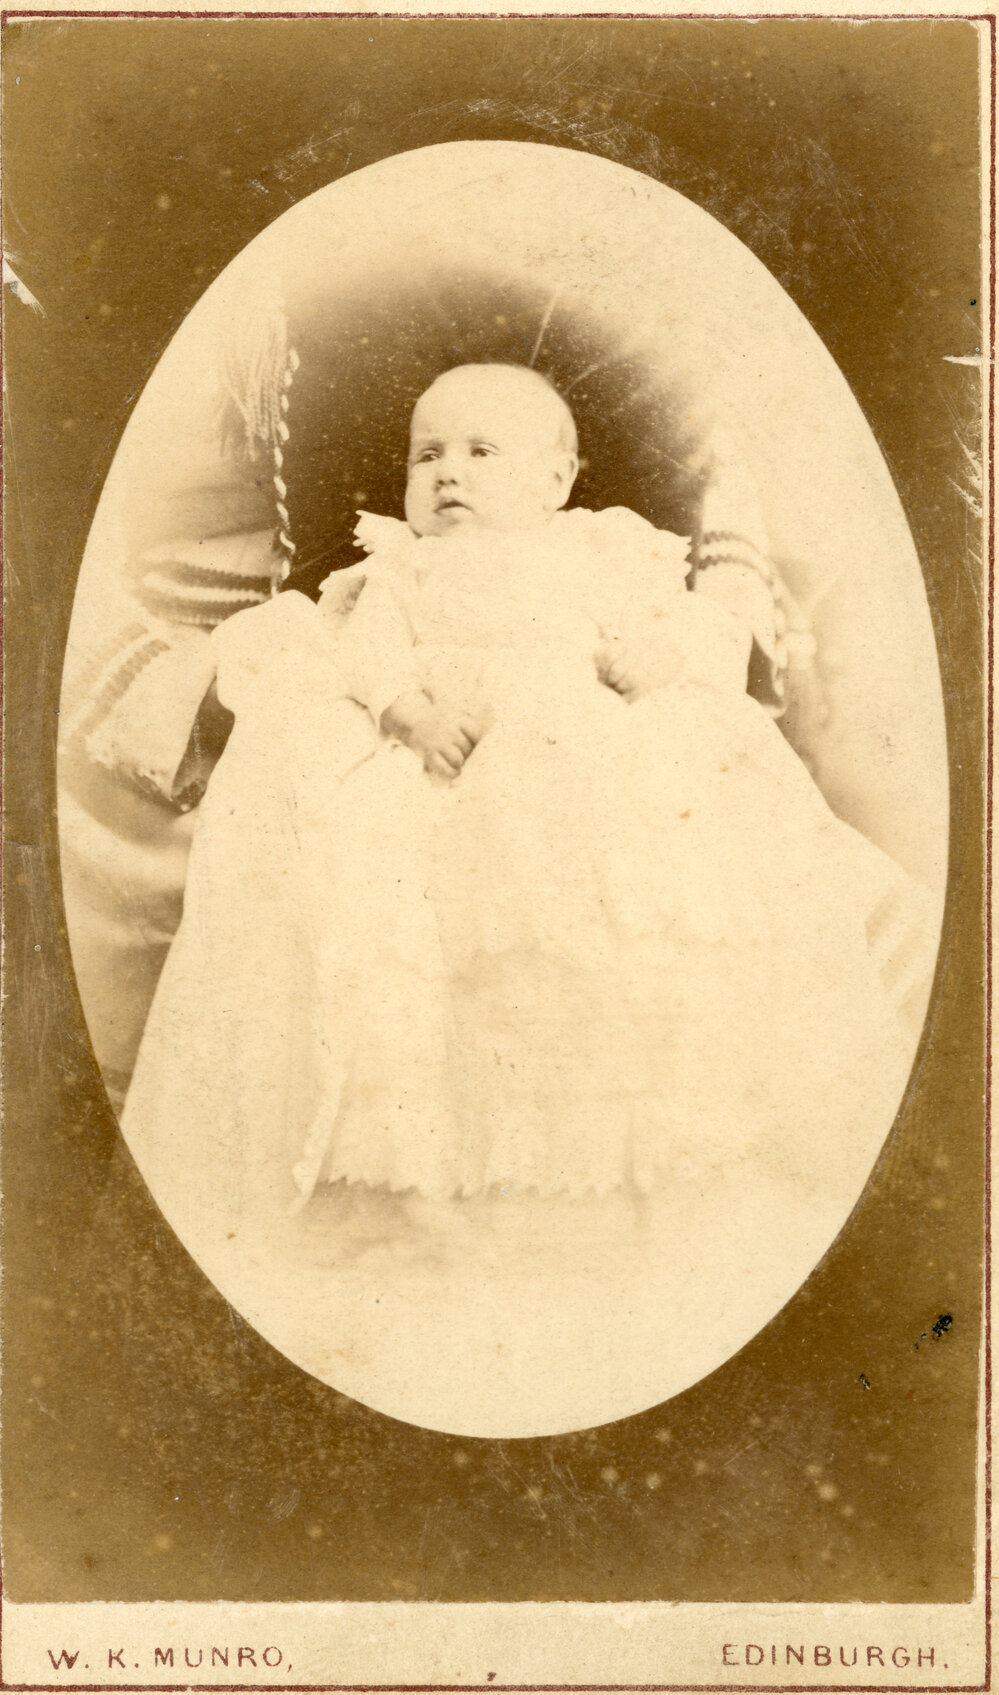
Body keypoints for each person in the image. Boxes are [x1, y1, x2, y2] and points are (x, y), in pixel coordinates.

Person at [121, 363, 931, 1247]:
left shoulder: (594, 550)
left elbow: (673, 625)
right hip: (455, 755)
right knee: (430, 903)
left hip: (577, 745)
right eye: (426, 454)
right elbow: (368, 653)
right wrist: (411, 713)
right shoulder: (403, 568)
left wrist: (653, 658)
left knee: (643, 860)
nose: (447, 473)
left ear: (553, 482)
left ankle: (639, 1102)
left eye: (479, 451)